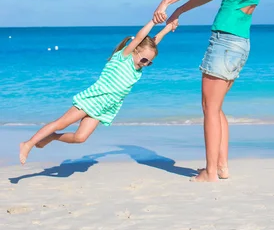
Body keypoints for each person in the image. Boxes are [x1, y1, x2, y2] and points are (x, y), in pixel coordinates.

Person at [153, 0, 274, 182]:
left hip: (225, 42)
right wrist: (180, 10)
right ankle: (221, 167)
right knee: (216, 108)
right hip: (240, 44)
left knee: (209, 108)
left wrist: (166, 1)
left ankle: (209, 172)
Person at [19, 20, 174, 164]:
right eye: (144, 60)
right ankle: (28, 143)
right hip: (93, 100)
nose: (145, 64)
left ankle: (52, 137)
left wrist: (167, 29)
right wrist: (154, 21)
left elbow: (153, 42)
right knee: (61, 123)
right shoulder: (123, 57)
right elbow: (141, 36)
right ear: (135, 50)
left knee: (80, 138)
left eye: (149, 63)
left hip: (104, 108)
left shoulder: (138, 67)